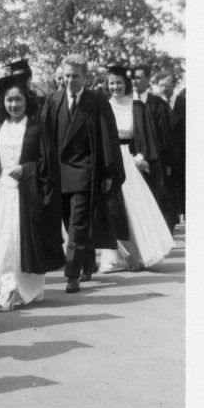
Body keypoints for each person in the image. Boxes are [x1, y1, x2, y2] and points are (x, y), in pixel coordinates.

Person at [41, 53, 126, 293]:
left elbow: (107, 137)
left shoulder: (96, 101)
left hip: (84, 172)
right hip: (59, 173)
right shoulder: (53, 100)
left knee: (77, 225)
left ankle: (72, 275)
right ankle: (87, 261)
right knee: (69, 224)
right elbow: (46, 139)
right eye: (66, 75)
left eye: (75, 76)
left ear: (85, 77)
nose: (70, 81)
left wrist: (108, 172)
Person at [0, 63, 64, 311]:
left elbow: (47, 163)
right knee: (5, 243)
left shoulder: (36, 128)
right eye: (9, 100)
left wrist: (27, 169)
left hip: (29, 193)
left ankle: (29, 289)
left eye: (18, 100)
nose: (13, 105)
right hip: (3, 193)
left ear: (26, 101)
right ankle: (8, 289)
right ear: (3, 102)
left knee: (25, 243)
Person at [99, 65, 175, 272]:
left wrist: (141, 155)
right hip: (110, 160)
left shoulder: (136, 106)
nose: (115, 87)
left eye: (119, 83)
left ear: (126, 84)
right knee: (112, 208)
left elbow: (146, 136)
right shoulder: (103, 106)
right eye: (112, 83)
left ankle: (138, 255)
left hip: (130, 160)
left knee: (134, 208)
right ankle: (114, 257)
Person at [132, 65, 174, 230]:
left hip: (157, 161)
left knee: (159, 199)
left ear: (148, 79)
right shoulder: (128, 103)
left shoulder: (157, 103)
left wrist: (168, 162)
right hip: (133, 161)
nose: (134, 81)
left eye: (139, 77)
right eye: (132, 77)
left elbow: (165, 135)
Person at [157, 71, 186, 228]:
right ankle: (169, 224)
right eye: (160, 85)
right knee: (167, 193)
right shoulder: (156, 105)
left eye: (166, 85)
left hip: (182, 156)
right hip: (164, 157)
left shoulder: (185, 103)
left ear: (174, 85)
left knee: (181, 191)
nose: (163, 88)